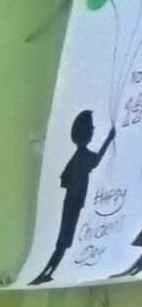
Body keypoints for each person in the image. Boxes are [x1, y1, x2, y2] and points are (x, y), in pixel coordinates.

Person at [34, 109, 113, 285]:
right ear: (86, 133)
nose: (93, 129)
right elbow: (96, 160)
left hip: (71, 202)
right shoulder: (83, 156)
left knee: (63, 241)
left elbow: (64, 179)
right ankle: (46, 272)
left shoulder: (78, 156)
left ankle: (47, 272)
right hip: (74, 203)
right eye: (91, 128)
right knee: (64, 242)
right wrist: (108, 139)